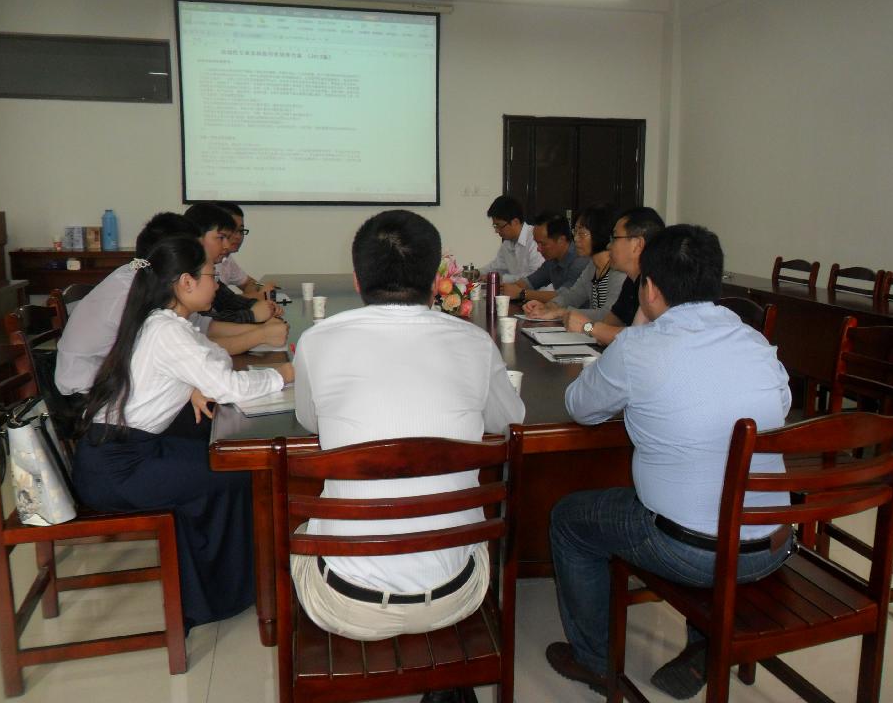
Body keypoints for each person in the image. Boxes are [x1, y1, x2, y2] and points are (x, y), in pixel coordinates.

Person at [544, 224, 792, 699]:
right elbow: (779, 405)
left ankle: (593, 661)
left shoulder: (640, 347)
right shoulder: (754, 341)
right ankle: (703, 642)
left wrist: (641, 325)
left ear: (650, 287)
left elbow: (580, 407)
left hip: (691, 552)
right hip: (772, 543)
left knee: (569, 519)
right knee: (704, 490)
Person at [292, 210, 525, 703]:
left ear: (357, 279)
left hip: (347, 605)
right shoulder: (474, 343)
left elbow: (311, 422)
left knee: (298, 533)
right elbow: (510, 422)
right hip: (457, 595)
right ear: (437, 279)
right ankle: (447, 677)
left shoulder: (316, 342)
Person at [72, 235, 294, 631]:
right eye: (211, 276)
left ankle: (217, 586)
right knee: (240, 472)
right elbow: (230, 386)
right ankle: (221, 594)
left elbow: (210, 359)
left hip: (120, 451)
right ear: (186, 282)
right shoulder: (167, 330)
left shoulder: (163, 321)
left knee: (226, 462)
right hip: (119, 467)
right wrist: (285, 374)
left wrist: (192, 384)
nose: (216, 284)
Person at [55, 212, 288, 397]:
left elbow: (201, 329)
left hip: (124, 387)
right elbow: (190, 350)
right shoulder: (137, 291)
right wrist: (260, 336)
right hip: (91, 394)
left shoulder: (155, 279)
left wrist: (262, 332)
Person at [561, 207, 664, 345]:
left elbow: (642, 338)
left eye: (614, 238)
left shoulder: (658, 285)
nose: (609, 245)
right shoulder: (631, 281)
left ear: (637, 245)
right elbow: (610, 323)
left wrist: (588, 327)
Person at [522, 203, 626, 322]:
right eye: (575, 232)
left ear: (600, 233)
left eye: (582, 234)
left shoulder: (619, 270)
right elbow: (573, 295)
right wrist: (548, 307)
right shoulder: (592, 266)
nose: (575, 239)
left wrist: (561, 312)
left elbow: (609, 315)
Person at [184, 203, 283, 324]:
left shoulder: (211, 265)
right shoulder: (186, 270)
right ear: (197, 237)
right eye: (221, 237)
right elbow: (208, 322)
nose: (227, 245)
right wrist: (253, 315)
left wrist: (259, 305)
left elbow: (229, 300)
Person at [500, 211, 588, 303]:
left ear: (561, 240)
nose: (538, 249)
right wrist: (505, 289)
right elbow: (530, 282)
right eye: (537, 243)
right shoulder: (552, 260)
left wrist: (522, 293)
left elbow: (565, 296)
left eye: (543, 244)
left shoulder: (580, 260)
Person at [215, 201, 277, 299]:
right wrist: (256, 296)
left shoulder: (226, 258)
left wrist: (253, 296)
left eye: (241, 230)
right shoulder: (202, 262)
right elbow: (216, 304)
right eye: (232, 230)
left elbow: (249, 283)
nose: (238, 236)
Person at [481, 196, 544, 284]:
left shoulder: (534, 238)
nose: (496, 231)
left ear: (515, 222)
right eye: (495, 226)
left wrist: (503, 279)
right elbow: (497, 267)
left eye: (499, 226)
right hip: (519, 291)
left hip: (539, 292)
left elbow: (536, 275)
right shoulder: (507, 243)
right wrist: (477, 273)